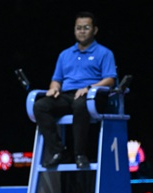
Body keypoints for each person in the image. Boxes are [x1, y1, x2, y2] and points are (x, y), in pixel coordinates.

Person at [35, 11, 117, 169]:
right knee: (40, 106)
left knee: (80, 104)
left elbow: (110, 80)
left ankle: (80, 154)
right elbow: (56, 79)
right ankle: (58, 152)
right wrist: (54, 88)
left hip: (93, 96)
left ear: (95, 30)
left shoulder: (104, 53)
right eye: (78, 28)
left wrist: (89, 88)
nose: (82, 31)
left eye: (86, 28)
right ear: (74, 30)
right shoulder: (65, 54)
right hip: (67, 95)